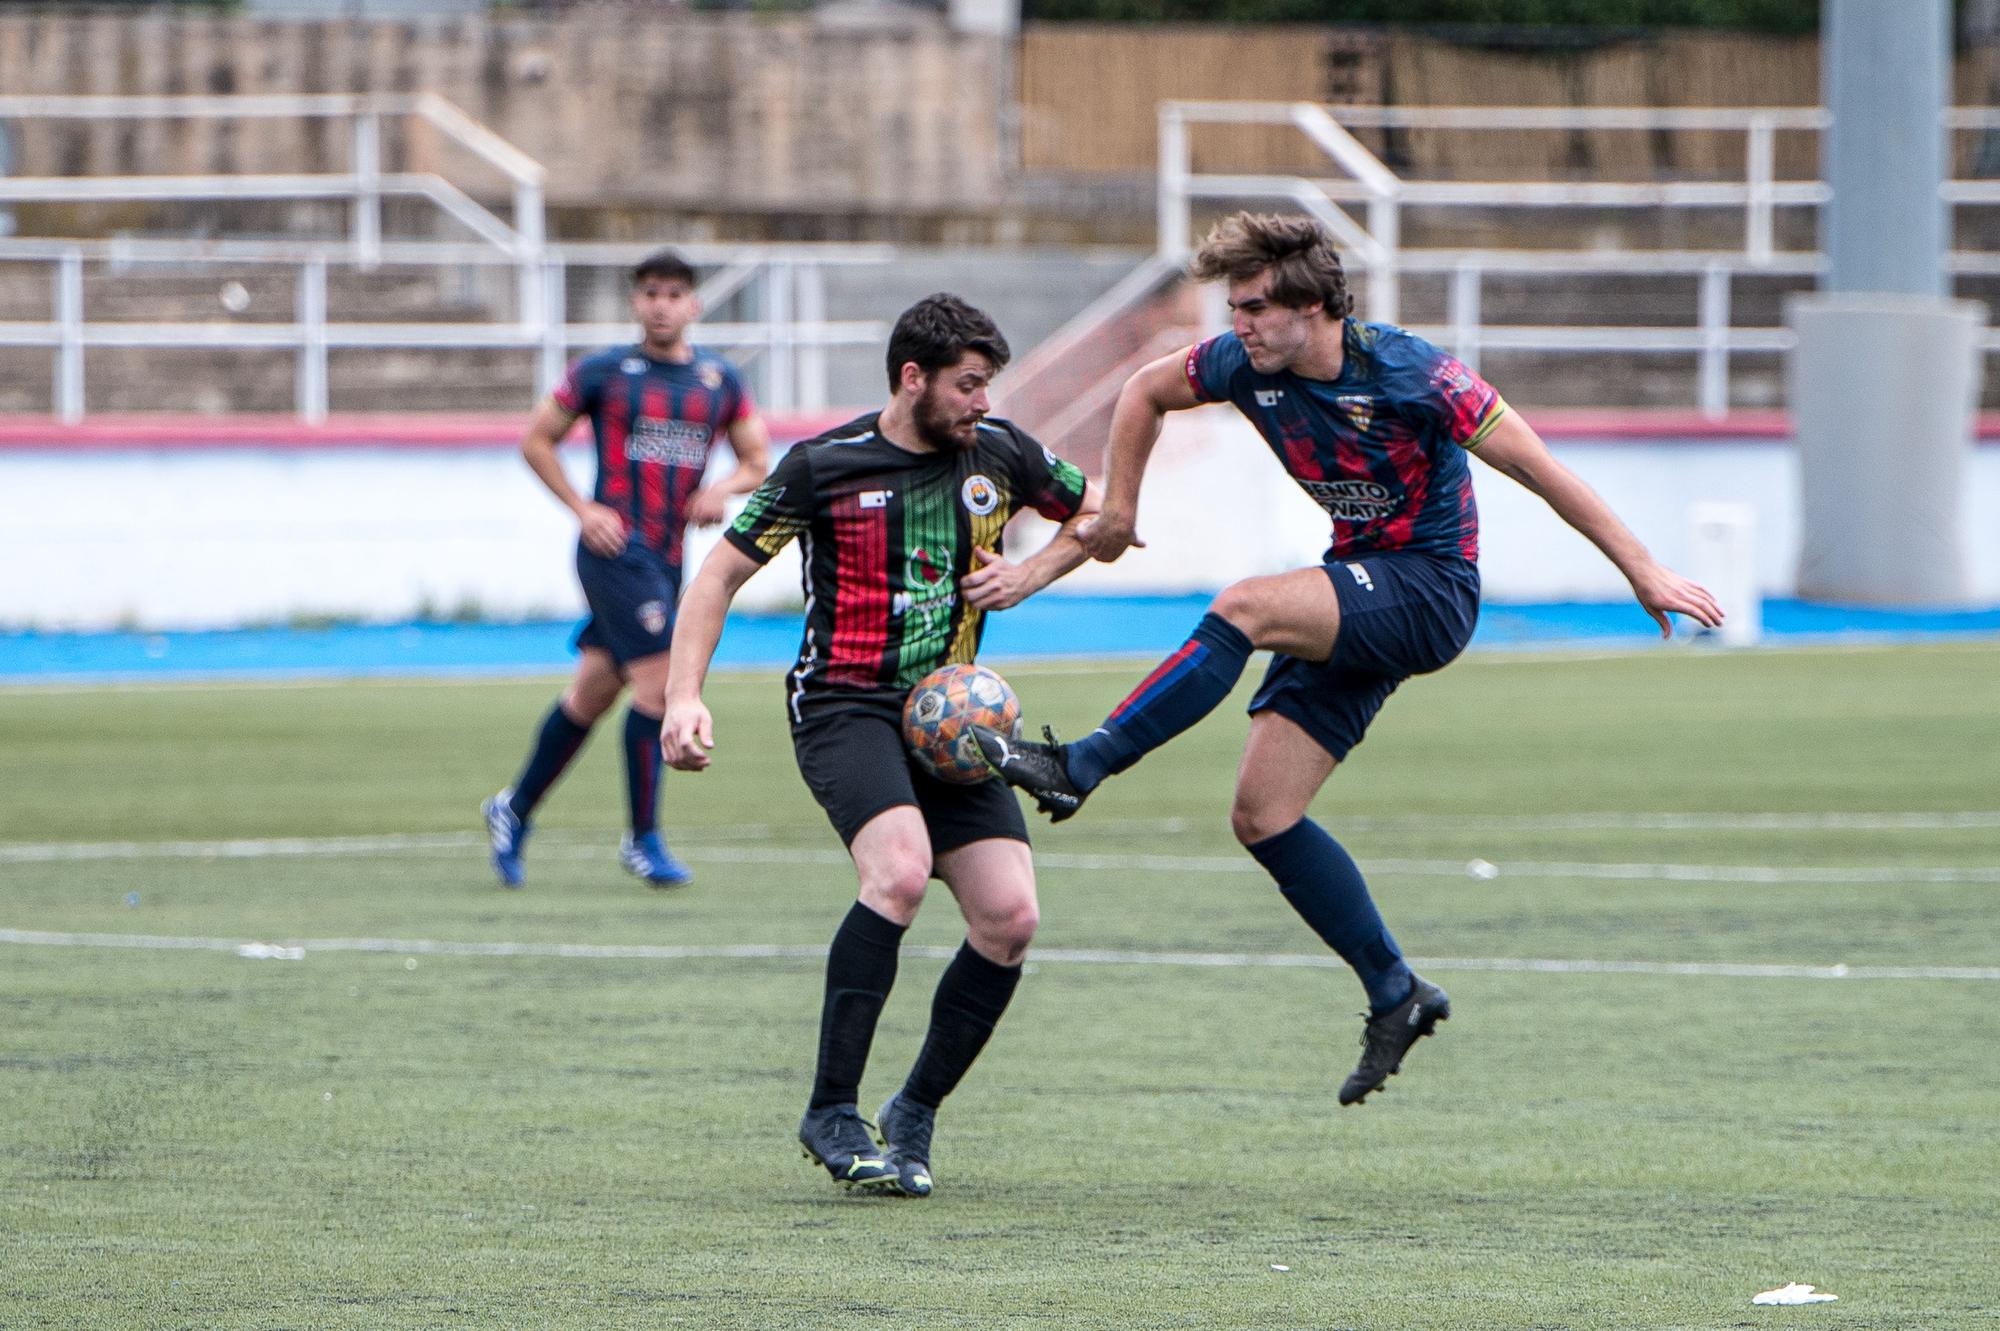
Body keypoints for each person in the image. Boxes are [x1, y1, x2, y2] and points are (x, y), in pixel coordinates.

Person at [976, 211, 1723, 1107]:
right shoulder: (1242, 366)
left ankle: (1079, 765)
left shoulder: (1411, 372)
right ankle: (1395, 990)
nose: (1238, 325)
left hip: (1428, 589)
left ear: (1314, 306)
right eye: (1234, 307)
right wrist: (1121, 512)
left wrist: (1643, 571)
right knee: (1263, 814)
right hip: (1360, 582)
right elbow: (1142, 392)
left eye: (1254, 307)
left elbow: (1542, 468)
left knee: (1243, 606)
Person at [659, 294, 1101, 1198]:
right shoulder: (823, 465)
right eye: (968, 385)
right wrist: (682, 697)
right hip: (845, 705)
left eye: (989, 385)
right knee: (898, 872)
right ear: (913, 378)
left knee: (1011, 916)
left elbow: (1106, 516)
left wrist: (1030, 570)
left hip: (954, 722)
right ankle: (831, 1107)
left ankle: (915, 1111)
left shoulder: (1003, 453)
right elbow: (718, 574)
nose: (983, 401)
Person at [483, 249, 770, 889]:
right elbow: (536, 440)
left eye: (673, 294)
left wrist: (722, 489)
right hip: (615, 552)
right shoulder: (604, 373)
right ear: (636, 303)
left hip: (669, 559)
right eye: (649, 293)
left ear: (693, 305)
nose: (661, 305)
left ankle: (512, 808)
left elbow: (757, 460)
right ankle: (643, 839)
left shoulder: (719, 381)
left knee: (593, 691)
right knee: (661, 682)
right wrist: (582, 508)